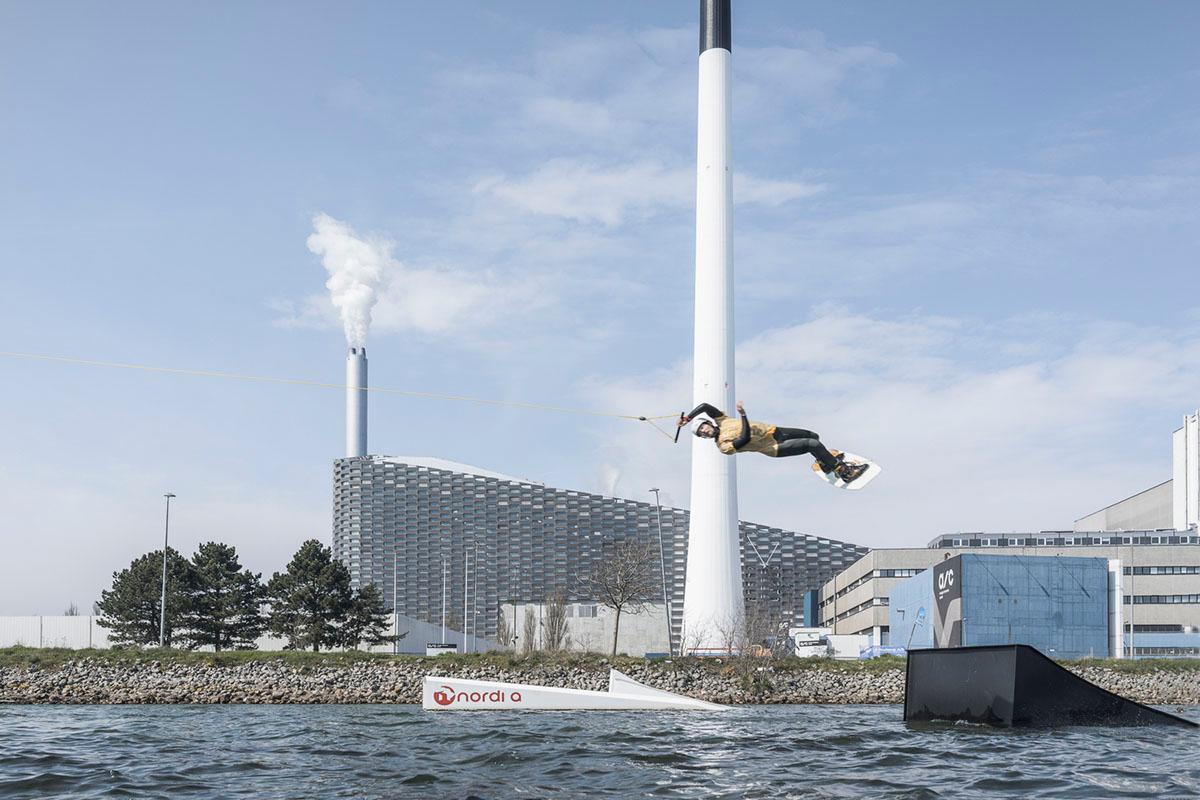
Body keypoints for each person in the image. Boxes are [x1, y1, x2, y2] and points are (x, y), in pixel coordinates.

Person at [677, 400, 868, 483]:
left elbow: (704, 406)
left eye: (703, 427)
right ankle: (841, 471)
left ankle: (825, 463)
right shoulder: (723, 446)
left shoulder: (721, 420)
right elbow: (745, 439)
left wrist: (687, 419)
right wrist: (743, 415)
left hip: (774, 432)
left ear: (708, 423)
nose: (705, 432)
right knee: (813, 445)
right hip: (773, 447)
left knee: (814, 436)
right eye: (701, 434)